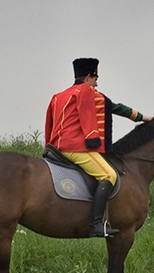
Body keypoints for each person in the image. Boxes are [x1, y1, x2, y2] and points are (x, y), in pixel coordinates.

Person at [44, 57, 146, 237]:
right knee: (109, 174)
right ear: (88, 77)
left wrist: (48, 146)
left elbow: (49, 121)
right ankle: (96, 224)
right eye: (95, 80)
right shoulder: (85, 91)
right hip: (75, 147)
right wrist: (142, 118)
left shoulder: (59, 96)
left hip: (57, 147)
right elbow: (114, 107)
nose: (96, 85)